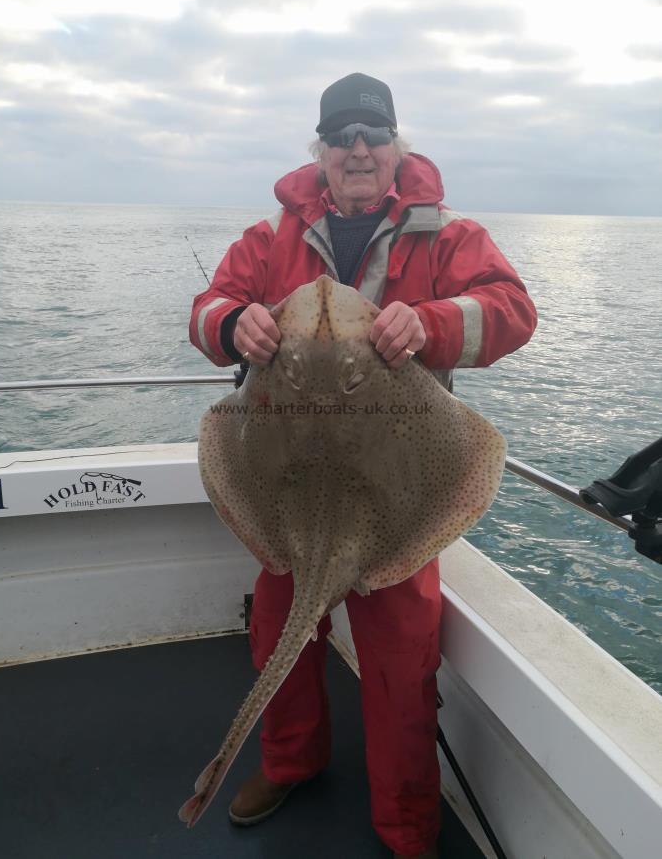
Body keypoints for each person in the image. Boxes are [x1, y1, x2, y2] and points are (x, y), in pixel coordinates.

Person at [189, 72, 537, 859]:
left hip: (393, 487)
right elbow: (207, 306)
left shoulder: (445, 236)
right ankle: (289, 762)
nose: (356, 149)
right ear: (319, 152)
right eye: (341, 135)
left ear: (394, 148)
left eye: (371, 136)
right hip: (288, 485)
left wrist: (435, 322)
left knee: (399, 663)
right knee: (278, 628)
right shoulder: (268, 237)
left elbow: (514, 310)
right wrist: (232, 324)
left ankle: (407, 825)